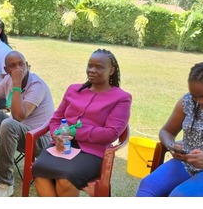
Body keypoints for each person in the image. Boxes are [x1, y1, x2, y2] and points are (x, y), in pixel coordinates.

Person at [31, 49, 131, 197]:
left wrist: (73, 132)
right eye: (90, 65)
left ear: (111, 70)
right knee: (39, 170)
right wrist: (56, 134)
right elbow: (56, 118)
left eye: (99, 67)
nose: (92, 70)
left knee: (65, 179)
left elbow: (111, 133)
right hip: (62, 144)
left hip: (92, 151)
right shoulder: (74, 89)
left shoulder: (121, 98)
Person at [135, 62, 203, 197]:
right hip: (186, 164)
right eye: (195, 96)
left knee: (179, 196)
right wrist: (171, 146)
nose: (199, 101)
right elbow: (166, 131)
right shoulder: (187, 101)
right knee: (148, 185)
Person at [0, 50, 54, 197]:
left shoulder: (37, 85)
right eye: (12, 66)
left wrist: (17, 84)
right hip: (18, 133)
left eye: (21, 64)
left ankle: (5, 184)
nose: (18, 69)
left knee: (9, 124)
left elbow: (19, 116)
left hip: (40, 140)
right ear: (6, 70)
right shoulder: (7, 80)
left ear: (27, 66)